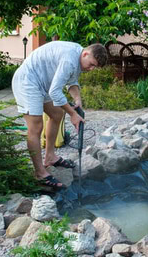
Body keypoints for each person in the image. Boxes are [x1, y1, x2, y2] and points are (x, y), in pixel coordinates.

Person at [12, 41, 108, 188]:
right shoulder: (70, 59)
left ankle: (50, 157)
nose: (92, 69)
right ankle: (40, 173)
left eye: (94, 67)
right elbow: (55, 92)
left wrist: (77, 99)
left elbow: (72, 81)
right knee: (36, 127)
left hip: (43, 84)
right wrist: (73, 114)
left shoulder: (78, 56)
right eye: (92, 64)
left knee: (57, 114)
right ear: (86, 54)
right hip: (28, 81)